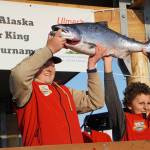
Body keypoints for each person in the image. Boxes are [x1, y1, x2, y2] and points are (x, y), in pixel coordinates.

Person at [9, 30, 106, 146]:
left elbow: (96, 101)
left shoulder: (64, 91)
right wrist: (49, 49)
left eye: (52, 65)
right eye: (44, 65)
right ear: (35, 68)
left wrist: (92, 67)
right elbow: (18, 75)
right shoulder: (26, 90)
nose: (50, 69)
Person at [104, 56, 150, 141]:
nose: (146, 107)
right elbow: (112, 99)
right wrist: (107, 62)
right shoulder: (123, 120)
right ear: (129, 105)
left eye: (149, 103)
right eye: (141, 103)